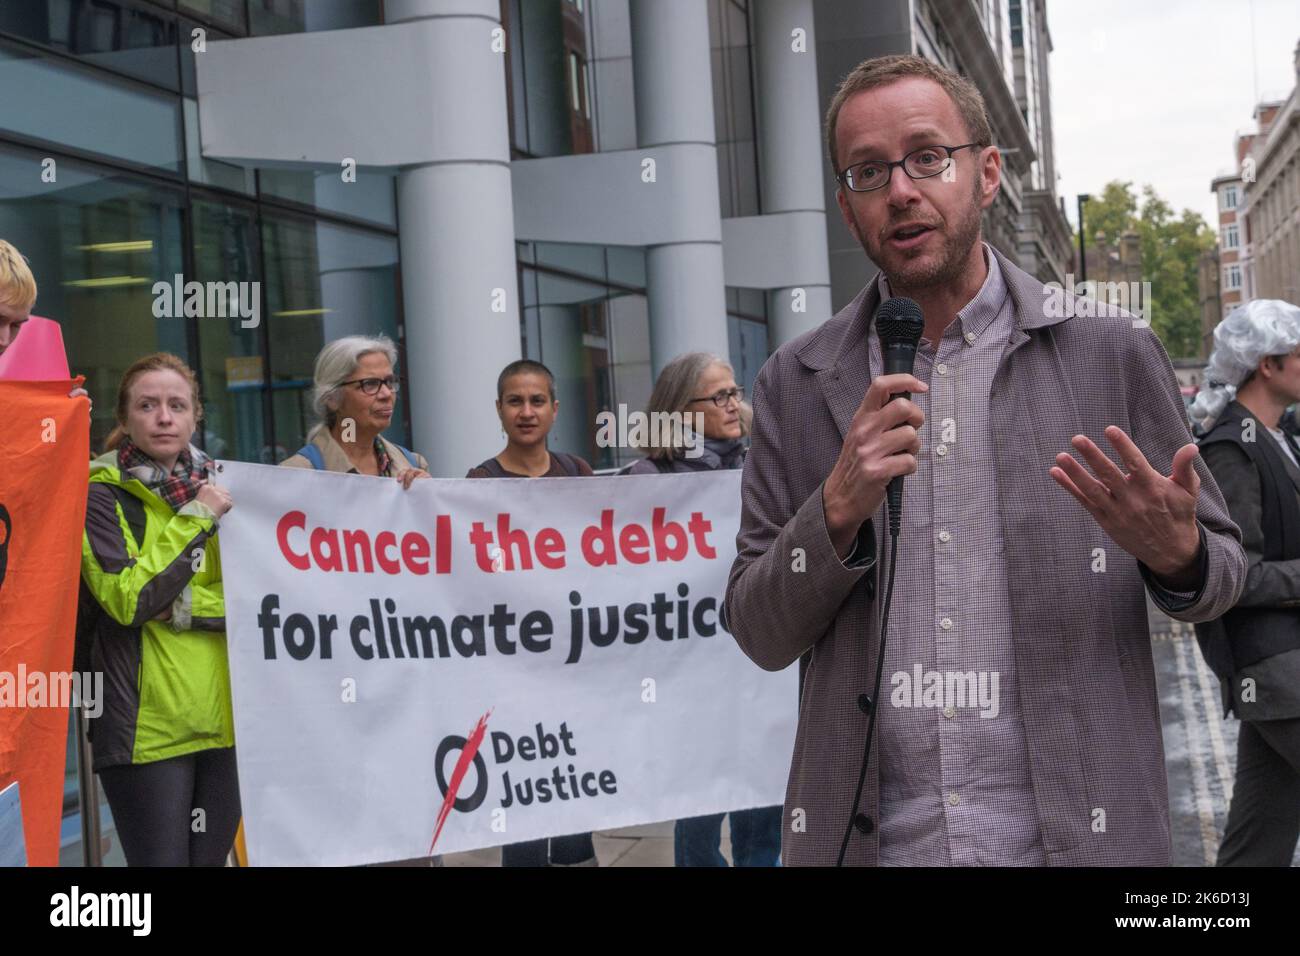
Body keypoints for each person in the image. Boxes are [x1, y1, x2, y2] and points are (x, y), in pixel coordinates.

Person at [724, 54, 1246, 866]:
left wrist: (1175, 554)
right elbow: (757, 631)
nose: (901, 190)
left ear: (988, 171)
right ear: (846, 206)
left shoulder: (1110, 351)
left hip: (1076, 842)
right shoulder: (797, 383)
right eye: (869, 171)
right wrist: (834, 509)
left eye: (927, 156)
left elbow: (1221, 576)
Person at [621, 352, 781, 866]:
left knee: (763, 806)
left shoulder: (764, 464)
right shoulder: (644, 479)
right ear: (679, 410)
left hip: (760, 666)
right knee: (700, 805)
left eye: (735, 392)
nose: (735, 404)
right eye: (719, 396)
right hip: (691, 673)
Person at [80, 353, 238, 865]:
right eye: (147, 406)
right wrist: (197, 516)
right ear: (124, 420)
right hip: (142, 730)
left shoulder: (229, 488)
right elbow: (130, 600)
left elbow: (254, 602)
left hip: (228, 719)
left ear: (196, 417)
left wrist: (180, 609)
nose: (164, 417)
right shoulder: (95, 496)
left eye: (177, 405)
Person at [467, 358, 597, 866]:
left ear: (554, 409)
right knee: (523, 797)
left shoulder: (579, 474)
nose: (526, 412)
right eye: (515, 401)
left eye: (536, 400)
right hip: (513, 675)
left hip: (573, 669)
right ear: (499, 410)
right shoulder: (478, 484)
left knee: (573, 796)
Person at [1189, 300, 1300, 867]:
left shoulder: (1282, 438)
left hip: (1282, 674)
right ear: (1267, 364)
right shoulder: (1232, 448)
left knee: (1259, 841)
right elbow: (1238, 574)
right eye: (1299, 353)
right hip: (1275, 667)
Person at [281, 334, 430, 485]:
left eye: (390, 382)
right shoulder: (297, 474)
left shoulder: (413, 464)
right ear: (332, 398)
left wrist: (427, 496)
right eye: (369, 384)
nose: (386, 394)